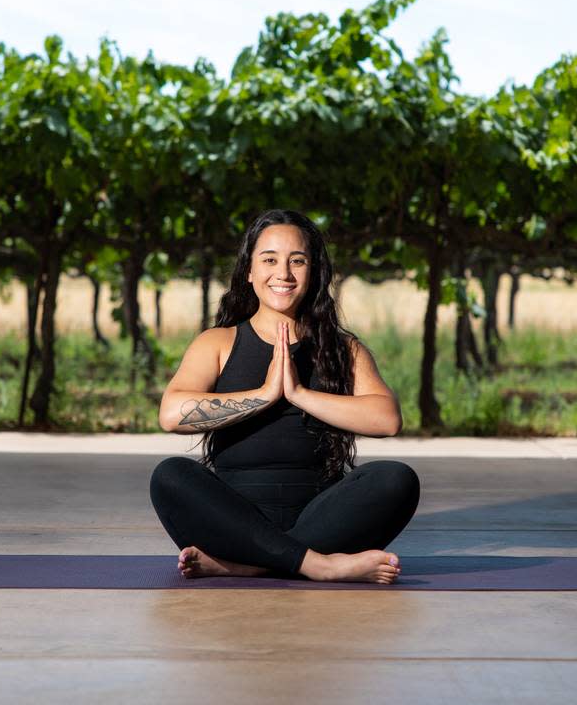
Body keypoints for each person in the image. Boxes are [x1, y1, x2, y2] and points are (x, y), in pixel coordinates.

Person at [149, 209, 420, 584]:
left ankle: (249, 564)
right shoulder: (218, 343)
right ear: (249, 270)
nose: (284, 274)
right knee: (170, 476)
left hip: (320, 517)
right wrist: (263, 395)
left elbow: (386, 419)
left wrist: (298, 394)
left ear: (314, 272)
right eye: (270, 260)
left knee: (397, 479)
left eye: (298, 261)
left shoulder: (344, 349)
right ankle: (318, 565)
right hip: (234, 516)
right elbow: (171, 414)